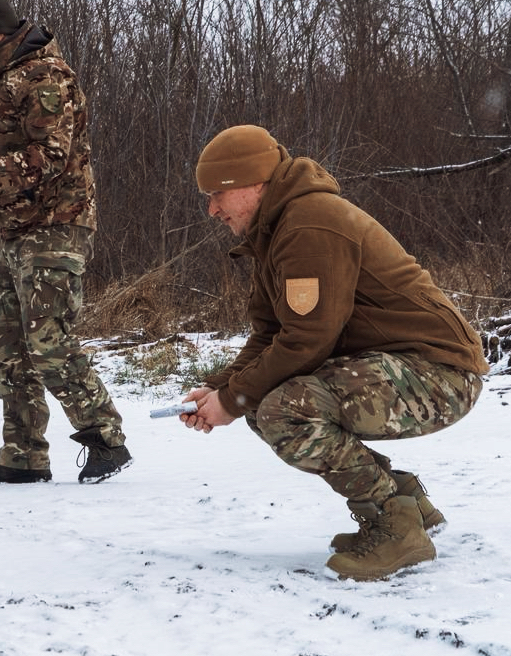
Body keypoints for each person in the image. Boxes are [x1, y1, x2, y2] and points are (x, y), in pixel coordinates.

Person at [177, 125, 489, 580]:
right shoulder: (275, 231)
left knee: (284, 409)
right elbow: (270, 334)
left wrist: (231, 399)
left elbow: (308, 339)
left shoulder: (308, 225)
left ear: (251, 182)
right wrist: (220, 389)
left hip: (440, 374)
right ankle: (406, 502)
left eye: (216, 195)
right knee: (261, 402)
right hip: (404, 367)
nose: (211, 210)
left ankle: (394, 524)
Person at [0, 0, 131, 485]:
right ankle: (23, 456)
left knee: (48, 340)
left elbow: (51, 155)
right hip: (14, 229)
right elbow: (7, 152)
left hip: (56, 227)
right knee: (7, 348)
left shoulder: (45, 76)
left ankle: (107, 439)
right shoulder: (1, 81)